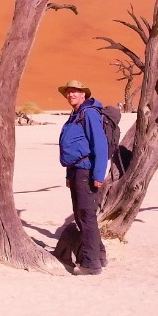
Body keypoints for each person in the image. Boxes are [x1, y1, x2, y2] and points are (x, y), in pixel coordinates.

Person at [57, 78, 109, 276]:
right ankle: (100, 255)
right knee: (81, 215)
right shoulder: (75, 114)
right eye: (68, 92)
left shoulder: (89, 114)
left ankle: (90, 263)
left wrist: (98, 174)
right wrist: (69, 174)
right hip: (75, 170)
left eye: (75, 92)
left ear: (83, 94)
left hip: (86, 171)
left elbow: (100, 145)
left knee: (86, 216)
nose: (71, 95)